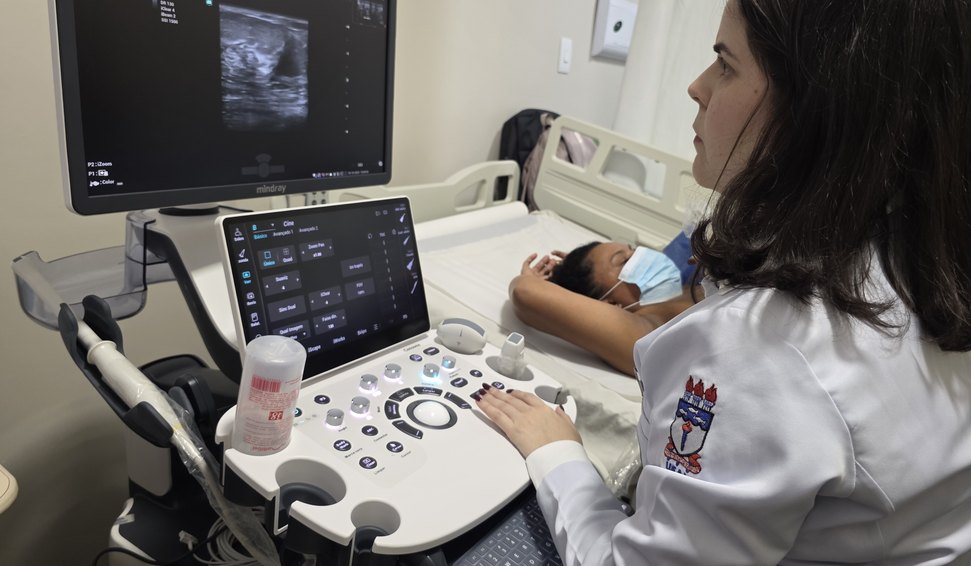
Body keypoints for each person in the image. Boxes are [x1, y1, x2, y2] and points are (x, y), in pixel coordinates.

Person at [475, 0, 971, 563]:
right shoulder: (925, 268)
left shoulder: (755, 345)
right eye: (619, 260)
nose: (697, 87)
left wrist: (558, 452)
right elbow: (536, 298)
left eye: (726, 64)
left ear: (819, 109)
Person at [509, 234, 700, 377]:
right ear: (610, 304)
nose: (642, 256)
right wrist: (531, 279)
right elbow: (524, 291)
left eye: (633, 250)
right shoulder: (647, 332)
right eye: (625, 261)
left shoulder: (691, 282)